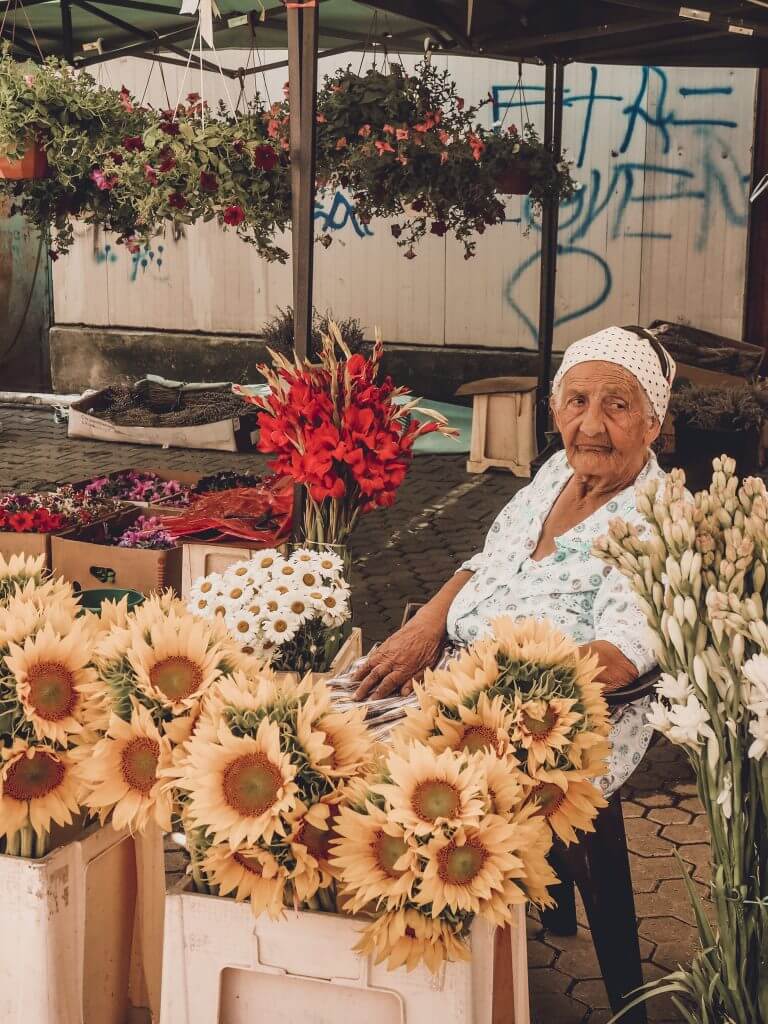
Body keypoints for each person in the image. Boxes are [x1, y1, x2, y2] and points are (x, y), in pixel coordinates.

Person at [352, 325, 676, 794]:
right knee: (302, 739)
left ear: (653, 423)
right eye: (577, 401)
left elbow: (620, 660)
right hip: (446, 682)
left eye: (618, 405)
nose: (590, 425)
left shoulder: (658, 518)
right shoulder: (559, 471)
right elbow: (488, 559)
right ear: (556, 409)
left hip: (538, 728)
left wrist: (487, 693)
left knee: (344, 789)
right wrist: (425, 625)